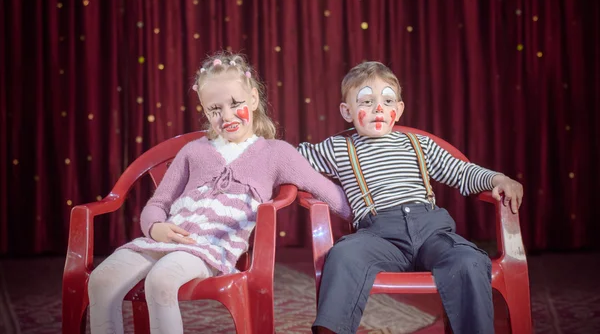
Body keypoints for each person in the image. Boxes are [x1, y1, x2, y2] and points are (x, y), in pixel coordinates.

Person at [87, 52, 352, 334]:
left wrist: (371, 213)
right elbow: (158, 203)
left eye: (235, 104)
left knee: (161, 281)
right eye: (215, 109)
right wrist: (155, 228)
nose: (226, 116)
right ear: (204, 109)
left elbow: (326, 190)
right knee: (100, 280)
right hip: (165, 240)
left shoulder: (276, 153)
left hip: (212, 247)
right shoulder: (193, 151)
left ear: (253, 99)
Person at [297, 61, 523, 334]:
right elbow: (293, 160)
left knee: (467, 260)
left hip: (431, 232)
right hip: (378, 236)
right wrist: (253, 146)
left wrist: (497, 179)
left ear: (399, 109)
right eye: (366, 101)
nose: (378, 108)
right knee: (343, 256)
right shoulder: (338, 148)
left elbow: (462, 172)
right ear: (347, 111)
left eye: (387, 100)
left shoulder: (420, 145)